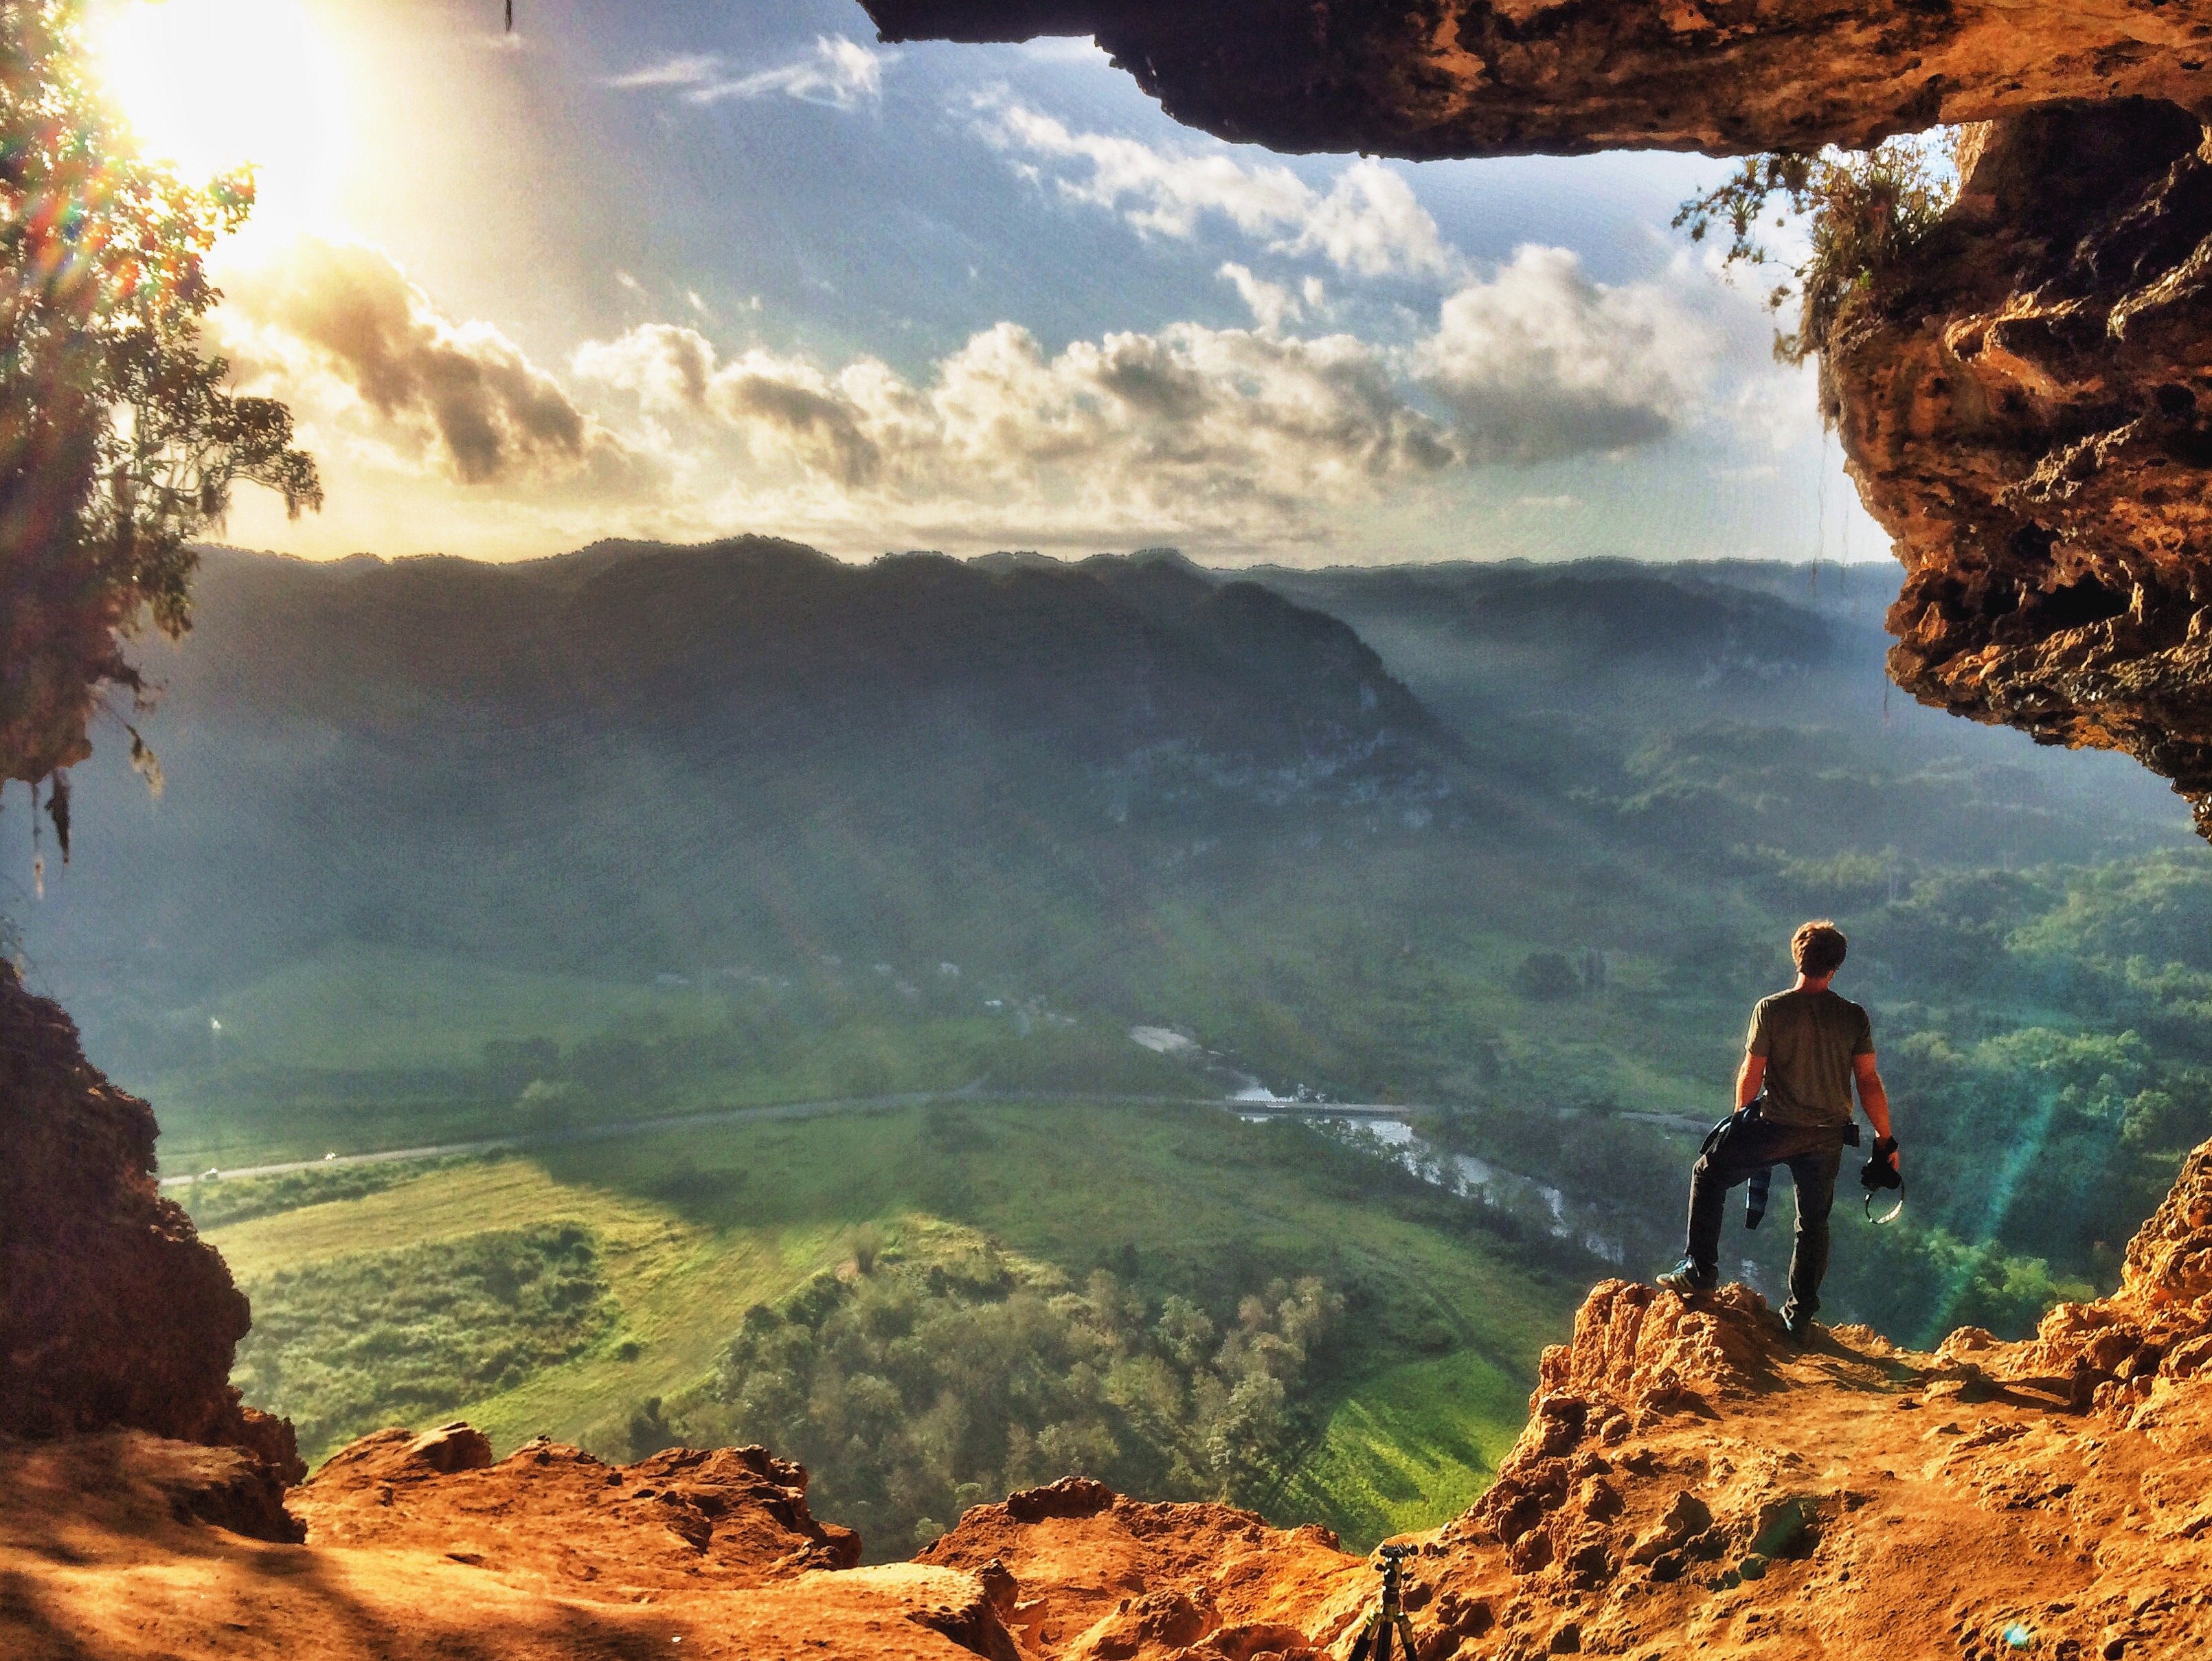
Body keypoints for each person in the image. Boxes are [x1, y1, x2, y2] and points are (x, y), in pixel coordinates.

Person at [1658, 920, 1897, 1340]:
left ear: (1797, 957)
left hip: (1775, 1126)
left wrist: (1737, 1121)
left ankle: (1699, 1271)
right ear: (1836, 966)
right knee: (1813, 1222)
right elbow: (1868, 1082)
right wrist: (1885, 1139)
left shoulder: (1771, 1009)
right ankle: (1800, 1315)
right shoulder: (1853, 1017)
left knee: (1708, 1174)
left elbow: (1752, 1073)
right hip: (1827, 1135)